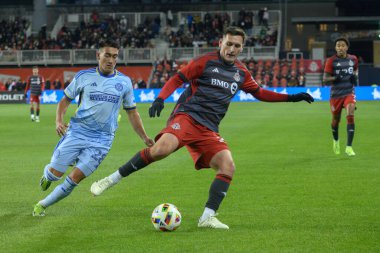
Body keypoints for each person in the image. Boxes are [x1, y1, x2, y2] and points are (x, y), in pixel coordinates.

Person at [90, 27, 314, 229]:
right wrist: (160, 98)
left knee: (228, 166)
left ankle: (207, 217)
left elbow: (260, 93)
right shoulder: (205, 61)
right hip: (187, 117)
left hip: (209, 128)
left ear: (241, 48)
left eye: (237, 45)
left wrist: (292, 97)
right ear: (220, 43)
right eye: (229, 43)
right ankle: (111, 179)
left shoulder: (241, 73)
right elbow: (178, 79)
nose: (232, 48)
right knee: (160, 150)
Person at [32, 39, 154, 216]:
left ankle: (42, 205)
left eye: (115, 56)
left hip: (102, 140)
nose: (111, 60)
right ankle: (48, 176)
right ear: (98, 55)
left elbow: (132, 112)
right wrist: (59, 121)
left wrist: (144, 137)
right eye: (107, 55)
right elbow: (64, 101)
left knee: (75, 178)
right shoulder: (84, 76)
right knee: (54, 174)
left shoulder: (125, 82)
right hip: (77, 132)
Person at [323, 37, 358, 156]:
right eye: (338, 45)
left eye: (343, 45)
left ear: (347, 47)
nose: (340, 48)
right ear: (335, 48)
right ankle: (336, 141)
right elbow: (324, 80)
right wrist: (334, 78)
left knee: (350, 113)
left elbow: (355, 72)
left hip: (349, 92)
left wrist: (355, 77)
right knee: (336, 120)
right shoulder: (331, 61)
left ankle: (349, 147)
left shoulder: (353, 59)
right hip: (336, 94)